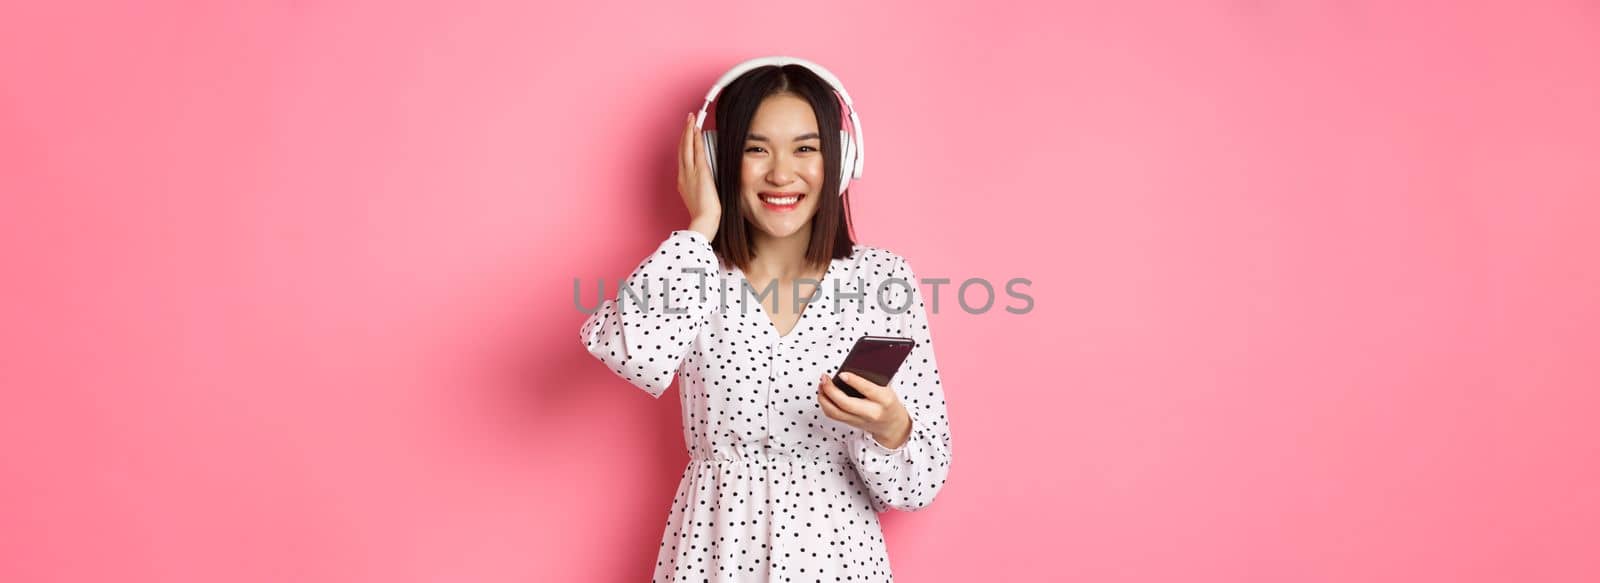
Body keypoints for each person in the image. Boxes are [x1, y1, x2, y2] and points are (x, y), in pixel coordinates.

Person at [579, 57, 952, 582]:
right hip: (714, 552)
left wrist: (890, 427)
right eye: (756, 149)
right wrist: (701, 227)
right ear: (717, 159)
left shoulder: (881, 281)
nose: (781, 173)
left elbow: (919, 487)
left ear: (841, 161)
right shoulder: (692, 272)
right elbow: (629, 353)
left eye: (805, 148)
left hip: (838, 559)